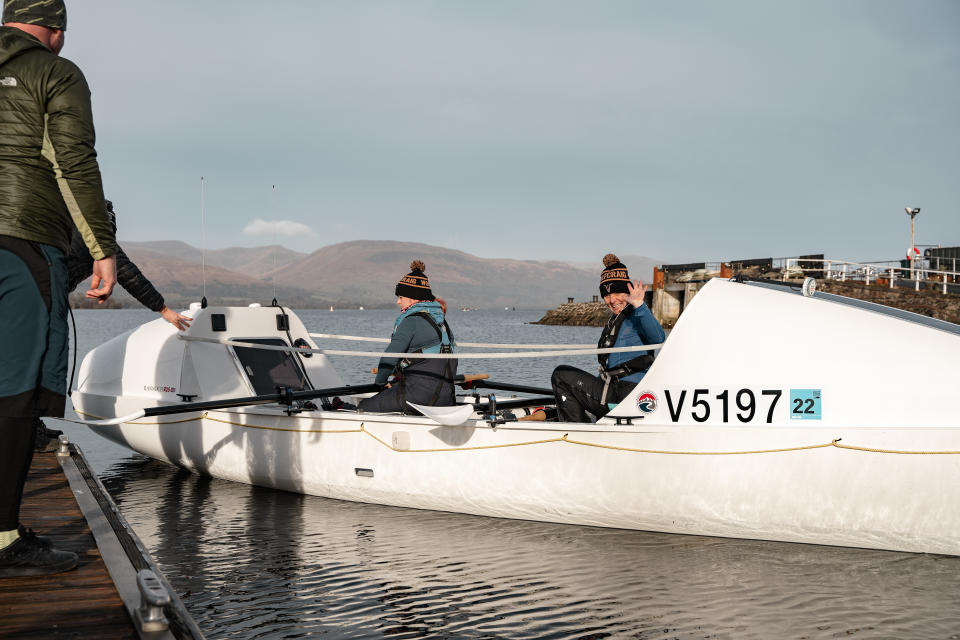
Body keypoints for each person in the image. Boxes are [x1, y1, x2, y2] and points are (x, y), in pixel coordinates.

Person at [0, 0, 118, 578]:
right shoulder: (56, 73)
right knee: (18, 389)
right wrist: (100, 248)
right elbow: (73, 161)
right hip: (21, 240)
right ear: (56, 29)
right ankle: (2, 537)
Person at [551, 254, 665, 422]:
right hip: (612, 389)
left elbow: (658, 338)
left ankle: (578, 431)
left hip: (626, 394)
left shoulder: (637, 315)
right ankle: (587, 422)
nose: (612, 300)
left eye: (618, 293)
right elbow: (610, 366)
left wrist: (640, 306)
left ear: (628, 292)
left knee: (561, 375)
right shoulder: (615, 320)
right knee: (571, 381)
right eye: (607, 295)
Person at [67, 200, 191, 331]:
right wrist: (163, 309)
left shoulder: (60, 220)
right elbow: (129, 275)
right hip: (50, 296)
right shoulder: (97, 237)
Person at [358, 261, 458, 414]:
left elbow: (389, 358)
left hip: (419, 398)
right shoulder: (442, 322)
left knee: (363, 407)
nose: (398, 301)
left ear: (412, 299)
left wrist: (380, 383)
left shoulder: (411, 321)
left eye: (401, 297)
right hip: (445, 398)